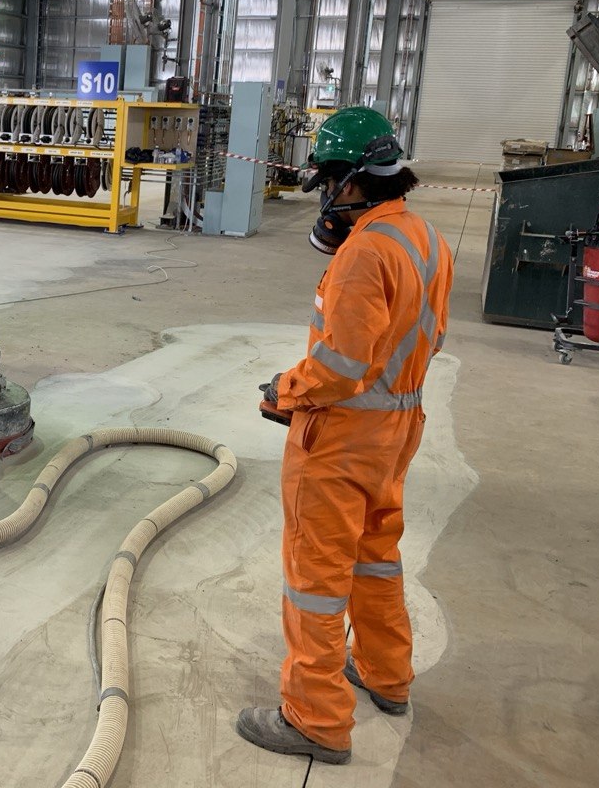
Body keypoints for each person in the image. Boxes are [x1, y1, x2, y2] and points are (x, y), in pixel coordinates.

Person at [236, 106, 454, 765]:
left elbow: (340, 366)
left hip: (340, 439)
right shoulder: (424, 237)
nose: (326, 197)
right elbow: (424, 337)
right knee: (375, 556)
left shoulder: (364, 253)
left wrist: (286, 391)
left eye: (329, 182)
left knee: (317, 577)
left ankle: (316, 719)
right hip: (398, 427)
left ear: (352, 180)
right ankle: (386, 675)